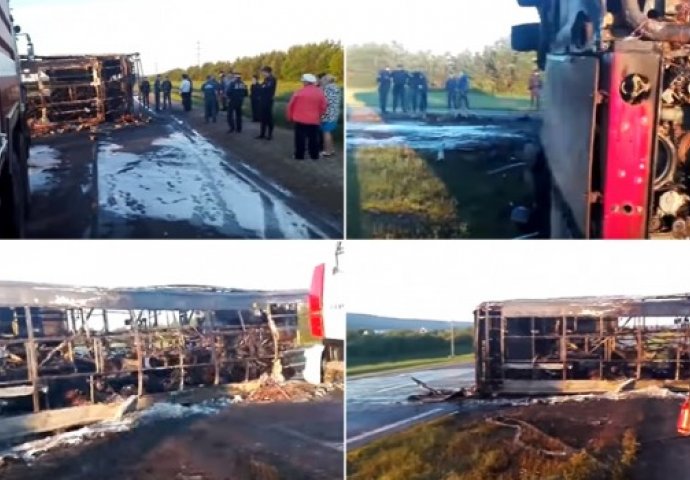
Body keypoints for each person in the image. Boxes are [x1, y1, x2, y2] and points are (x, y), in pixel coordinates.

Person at [287, 73, 327, 161]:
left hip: (300, 120)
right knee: (314, 139)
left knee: (300, 139)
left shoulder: (298, 92)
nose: (302, 83)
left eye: (303, 81)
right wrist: (319, 116)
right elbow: (324, 106)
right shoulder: (320, 93)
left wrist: (290, 117)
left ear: (306, 82)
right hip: (314, 120)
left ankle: (299, 155)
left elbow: (291, 106)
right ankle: (314, 155)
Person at [320, 74, 341, 157]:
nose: (321, 81)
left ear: (326, 80)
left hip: (327, 114)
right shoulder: (336, 87)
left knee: (326, 132)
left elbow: (324, 101)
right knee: (329, 132)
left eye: (322, 80)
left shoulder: (327, 89)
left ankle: (327, 151)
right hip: (334, 113)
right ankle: (331, 149)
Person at [257, 66, 277, 140]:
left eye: (263, 72)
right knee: (263, 118)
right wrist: (262, 86)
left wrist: (262, 87)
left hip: (268, 100)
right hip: (263, 100)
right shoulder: (266, 79)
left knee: (269, 118)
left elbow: (267, 88)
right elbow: (261, 87)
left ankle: (270, 135)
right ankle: (262, 134)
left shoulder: (272, 79)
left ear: (267, 72)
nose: (262, 73)